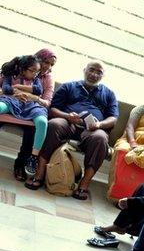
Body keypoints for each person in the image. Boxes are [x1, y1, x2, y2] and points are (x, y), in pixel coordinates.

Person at [26, 61, 118, 200]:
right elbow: (53, 108)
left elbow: (113, 118)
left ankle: (84, 184)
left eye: (99, 72)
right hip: (68, 122)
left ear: (103, 75)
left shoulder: (109, 94)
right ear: (84, 70)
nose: (94, 74)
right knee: (54, 125)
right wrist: (66, 116)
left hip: (92, 129)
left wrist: (99, 125)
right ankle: (39, 173)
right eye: (91, 70)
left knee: (100, 138)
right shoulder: (69, 86)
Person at [1, 55, 50, 181]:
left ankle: (32, 158)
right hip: (12, 102)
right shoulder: (11, 74)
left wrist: (18, 88)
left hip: (30, 106)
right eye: (32, 70)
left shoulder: (38, 78)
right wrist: (17, 93)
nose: (35, 73)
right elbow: (5, 89)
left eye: (37, 71)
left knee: (41, 123)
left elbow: (38, 90)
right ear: (23, 69)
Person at [12, 48, 56, 181]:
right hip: (11, 103)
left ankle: (20, 165)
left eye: (51, 64)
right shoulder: (19, 67)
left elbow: (47, 102)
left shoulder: (48, 78)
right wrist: (13, 94)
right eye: (45, 61)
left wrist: (32, 97)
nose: (47, 66)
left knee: (33, 129)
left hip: (32, 109)